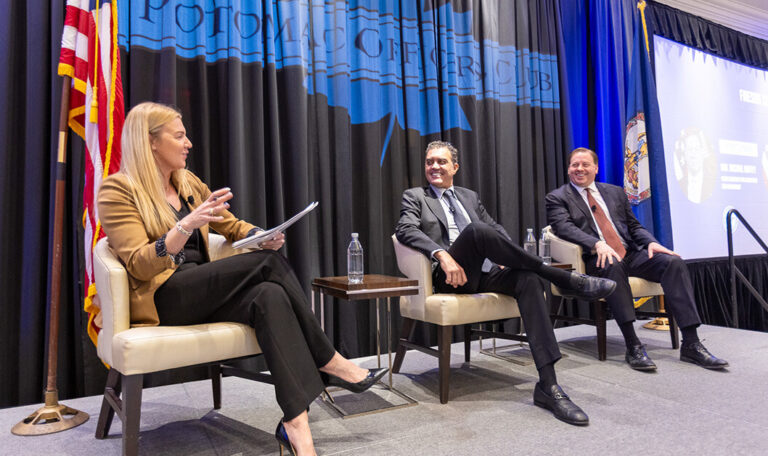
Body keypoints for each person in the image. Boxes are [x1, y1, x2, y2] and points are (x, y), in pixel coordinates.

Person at [97, 102, 386, 456]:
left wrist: (261, 234)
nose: (188, 143)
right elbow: (139, 265)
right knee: (266, 265)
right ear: (151, 142)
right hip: (163, 298)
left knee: (269, 295)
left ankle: (296, 424)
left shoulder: (187, 182)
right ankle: (329, 359)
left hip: (204, 286)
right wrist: (184, 226)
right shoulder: (117, 190)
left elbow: (231, 225)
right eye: (179, 135)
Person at [395, 141, 618, 426]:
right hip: (449, 277)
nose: (434, 167)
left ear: (455, 167)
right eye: (429, 162)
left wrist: (505, 256)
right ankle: (562, 278)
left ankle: (548, 386)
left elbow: (496, 229)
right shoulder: (416, 196)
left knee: (527, 279)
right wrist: (442, 255)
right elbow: (405, 229)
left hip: (484, 272)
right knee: (476, 231)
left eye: (441, 161)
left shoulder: (469, 196)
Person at [545, 147, 728, 371]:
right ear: (568, 168)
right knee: (612, 263)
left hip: (629, 253)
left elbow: (633, 227)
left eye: (585, 164)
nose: (579, 169)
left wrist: (651, 242)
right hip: (596, 259)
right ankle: (633, 345)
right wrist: (596, 243)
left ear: (596, 168)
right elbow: (564, 228)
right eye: (575, 165)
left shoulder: (614, 193)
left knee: (673, 262)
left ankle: (691, 343)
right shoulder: (558, 197)